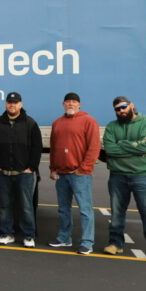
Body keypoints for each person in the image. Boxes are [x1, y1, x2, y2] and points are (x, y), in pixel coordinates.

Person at [102, 96, 146, 263]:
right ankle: (116, 244)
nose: (121, 111)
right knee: (117, 212)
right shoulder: (112, 127)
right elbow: (109, 149)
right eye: (117, 109)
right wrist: (134, 147)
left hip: (143, 175)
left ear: (131, 105)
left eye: (123, 107)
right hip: (118, 175)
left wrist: (121, 144)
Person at [0, 92, 42, 248]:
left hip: (24, 174)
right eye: (9, 102)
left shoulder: (30, 123)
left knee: (26, 206)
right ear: (5, 104)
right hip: (3, 173)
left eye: (15, 102)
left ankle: (29, 236)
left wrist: (31, 167)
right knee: (5, 205)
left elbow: (37, 148)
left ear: (20, 105)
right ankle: (7, 234)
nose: (12, 105)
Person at [48, 92, 101, 255]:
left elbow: (94, 148)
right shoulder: (57, 123)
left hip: (80, 174)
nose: (70, 104)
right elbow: (53, 147)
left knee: (85, 209)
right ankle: (64, 238)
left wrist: (83, 169)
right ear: (63, 104)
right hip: (61, 174)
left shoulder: (88, 121)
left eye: (73, 102)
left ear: (80, 105)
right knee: (63, 209)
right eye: (67, 102)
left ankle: (87, 242)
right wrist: (53, 168)